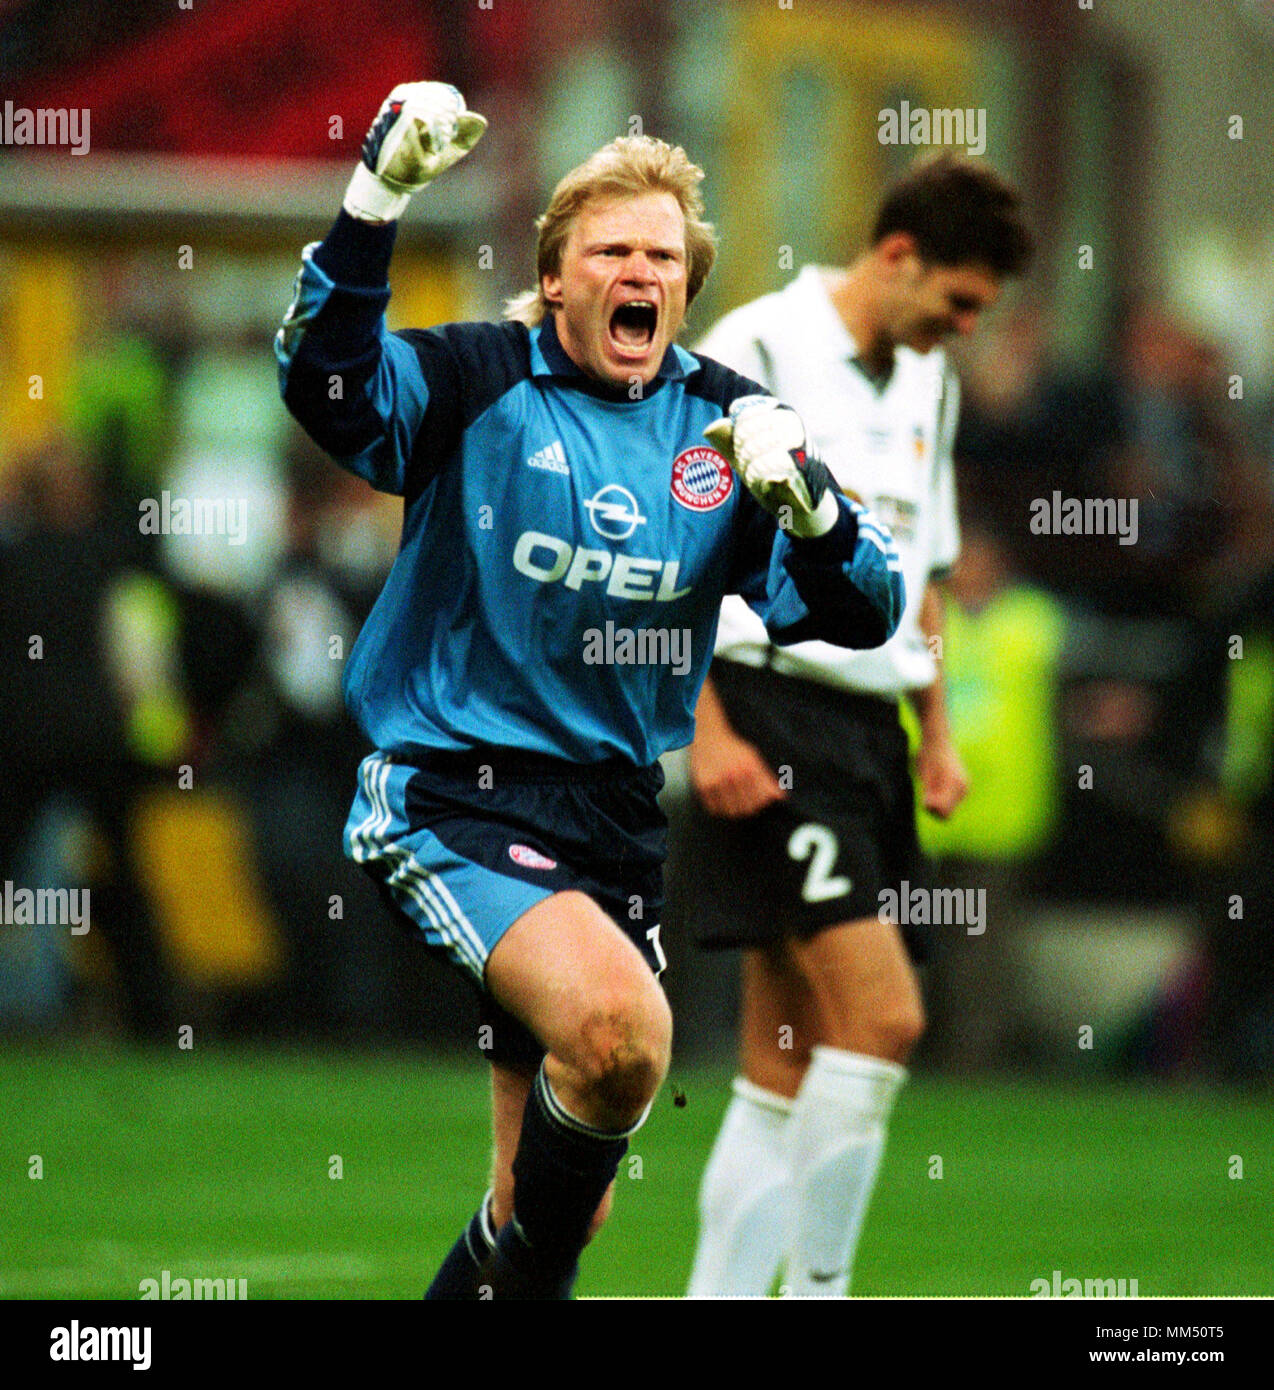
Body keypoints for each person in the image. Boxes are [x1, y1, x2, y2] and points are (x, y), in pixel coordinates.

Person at [274, 81, 905, 1300]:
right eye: (610, 249)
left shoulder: (730, 428)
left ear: (686, 284)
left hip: (611, 824)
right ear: (555, 279)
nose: (640, 271)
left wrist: (811, 512)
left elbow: (862, 608)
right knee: (622, 1038)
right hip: (454, 793)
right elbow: (328, 386)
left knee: (552, 1208)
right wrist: (375, 199)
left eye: (662, 255)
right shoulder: (475, 380)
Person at [684, 153, 1033, 1297]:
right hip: (766, 712)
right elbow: (665, 557)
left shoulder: (927, 383)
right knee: (882, 1018)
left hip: (867, 732)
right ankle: (822, 1293)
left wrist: (930, 730)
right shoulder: (760, 349)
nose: (963, 329)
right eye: (958, 303)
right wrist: (705, 730)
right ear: (898, 256)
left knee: (779, 1058)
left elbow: (920, 571)